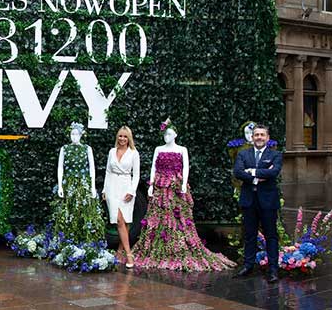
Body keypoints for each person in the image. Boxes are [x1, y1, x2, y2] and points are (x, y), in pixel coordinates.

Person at [132, 118, 235, 271]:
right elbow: (153, 167)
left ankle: (177, 247)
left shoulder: (182, 149)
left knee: (177, 216)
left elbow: (186, 167)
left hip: (176, 185)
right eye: (165, 134)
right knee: (158, 215)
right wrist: (151, 186)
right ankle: (158, 246)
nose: (166, 137)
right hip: (160, 185)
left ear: (175, 135)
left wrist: (183, 185)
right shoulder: (158, 149)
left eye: (169, 134)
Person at [233, 124, 282, 283]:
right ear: (252, 138)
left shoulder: (275, 155)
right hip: (249, 200)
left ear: (267, 138)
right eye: (256, 135)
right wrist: (258, 177)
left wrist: (252, 171)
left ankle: (273, 269)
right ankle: (248, 266)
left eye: (262, 135)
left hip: (268, 201)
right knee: (249, 235)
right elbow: (238, 172)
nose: (259, 137)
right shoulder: (243, 154)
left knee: (271, 235)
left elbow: (273, 172)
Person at [53, 122, 105, 244]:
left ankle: (86, 241)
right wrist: (60, 186)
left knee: (85, 211)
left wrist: (92, 187)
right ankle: (66, 240)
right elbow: (60, 167)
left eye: (77, 134)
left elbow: (92, 168)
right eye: (72, 134)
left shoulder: (87, 149)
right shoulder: (64, 149)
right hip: (68, 184)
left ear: (81, 135)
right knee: (68, 211)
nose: (74, 136)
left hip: (83, 183)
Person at [102, 126, 140, 269]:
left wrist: (132, 191)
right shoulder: (112, 152)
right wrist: (105, 190)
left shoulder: (134, 153)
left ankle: (120, 251)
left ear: (129, 138)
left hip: (126, 187)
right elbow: (107, 171)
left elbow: (136, 175)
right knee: (118, 219)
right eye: (120, 136)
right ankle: (129, 254)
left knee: (125, 220)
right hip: (112, 187)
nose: (122, 139)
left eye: (125, 136)